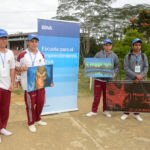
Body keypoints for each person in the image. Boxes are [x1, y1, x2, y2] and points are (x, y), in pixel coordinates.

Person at [16, 34, 48, 132]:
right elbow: (16, 68)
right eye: (32, 41)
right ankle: (31, 122)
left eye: (36, 41)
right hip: (28, 85)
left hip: (40, 83)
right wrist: (21, 69)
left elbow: (44, 69)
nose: (34, 43)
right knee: (30, 105)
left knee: (41, 102)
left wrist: (49, 80)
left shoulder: (41, 54)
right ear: (28, 42)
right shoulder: (22, 55)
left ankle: (38, 119)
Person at [86, 39, 119, 117]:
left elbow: (117, 66)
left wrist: (114, 73)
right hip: (98, 79)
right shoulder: (98, 54)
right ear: (103, 46)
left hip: (108, 80)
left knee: (106, 96)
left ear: (111, 46)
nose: (107, 47)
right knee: (97, 96)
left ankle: (106, 110)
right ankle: (94, 111)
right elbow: (93, 64)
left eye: (109, 45)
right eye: (106, 45)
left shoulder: (114, 56)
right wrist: (90, 68)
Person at [121, 38, 149, 121]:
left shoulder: (144, 56)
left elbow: (146, 67)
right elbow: (126, 68)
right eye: (136, 45)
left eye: (139, 45)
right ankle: (126, 113)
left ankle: (136, 114)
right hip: (130, 80)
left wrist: (141, 76)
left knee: (138, 97)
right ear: (132, 46)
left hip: (140, 80)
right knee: (128, 96)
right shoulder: (128, 56)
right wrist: (135, 76)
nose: (138, 46)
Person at [0, 29, 15, 140]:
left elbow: (12, 69)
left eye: (5, 38)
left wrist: (12, 82)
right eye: (2, 38)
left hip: (7, 85)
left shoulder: (10, 53)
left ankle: (2, 128)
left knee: (5, 109)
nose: (4, 40)